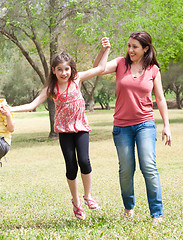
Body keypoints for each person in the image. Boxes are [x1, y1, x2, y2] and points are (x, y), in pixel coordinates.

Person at [10, 38, 110, 220]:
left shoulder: (77, 80)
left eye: (67, 69)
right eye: (60, 69)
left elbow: (101, 69)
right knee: (71, 167)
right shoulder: (52, 88)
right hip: (64, 131)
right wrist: (10, 109)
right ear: (54, 71)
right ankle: (76, 202)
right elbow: (32, 105)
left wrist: (106, 50)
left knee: (85, 162)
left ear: (71, 69)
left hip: (80, 128)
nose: (64, 73)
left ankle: (88, 196)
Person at [93, 31, 171, 225]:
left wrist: (166, 126)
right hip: (122, 126)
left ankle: (157, 214)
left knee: (149, 166)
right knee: (126, 169)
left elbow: (160, 99)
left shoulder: (153, 69)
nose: (130, 50)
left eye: (135, 47)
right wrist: (104, 50)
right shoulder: (120, 63)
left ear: (146, 48)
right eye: (129, 46)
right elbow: (97, 69)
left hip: (145, 124)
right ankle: (129, 208)